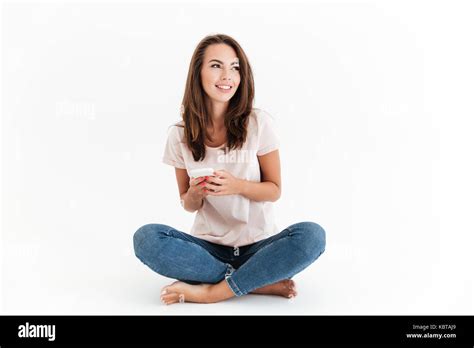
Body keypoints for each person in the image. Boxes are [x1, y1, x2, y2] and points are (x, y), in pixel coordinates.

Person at [133, 33, 326, 305]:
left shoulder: (259, 123)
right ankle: (255, 282)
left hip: (258, 245)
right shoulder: (179, 135)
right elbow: (187, 203)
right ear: (197, 72)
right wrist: (196, 194)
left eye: (235, 67)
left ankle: (215, 290)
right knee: (146, 239)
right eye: (216, 66)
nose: (227, 76)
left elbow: (274, 190)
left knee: (312, 236)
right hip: (208, 249)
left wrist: (237, 186)